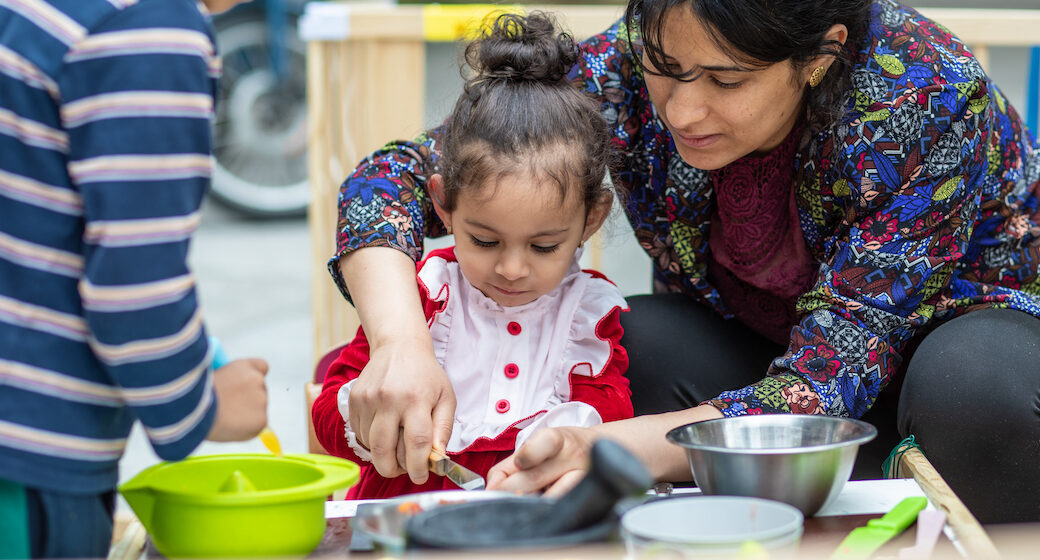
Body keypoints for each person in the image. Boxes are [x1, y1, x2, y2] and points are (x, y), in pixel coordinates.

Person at [327, 0, 1040, 524]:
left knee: (973, 387)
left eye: (726, 81)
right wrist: (399, 342)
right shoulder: (631, 64)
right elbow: (395, 176)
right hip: (777, 369)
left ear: (818, 58)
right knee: (632, 340)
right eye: (666, 69)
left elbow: (832, 374)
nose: (683, 110)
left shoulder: (926, 94)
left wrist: (620, 449)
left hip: (962, 372)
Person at [311, 12, 633, 499]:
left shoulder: (586, 313)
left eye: (544, 246)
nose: (511, 268)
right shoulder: (426, 293)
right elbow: (328, 418)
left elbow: (609, 416)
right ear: (443, 203)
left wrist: (560, 448)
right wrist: (373, 421)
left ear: (591, 218)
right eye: (485, 241)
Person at [0, 0, 269, 557]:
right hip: (31, 448)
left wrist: (189, 352)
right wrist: (203, 406)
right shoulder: (150, 28)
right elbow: (134, 285)